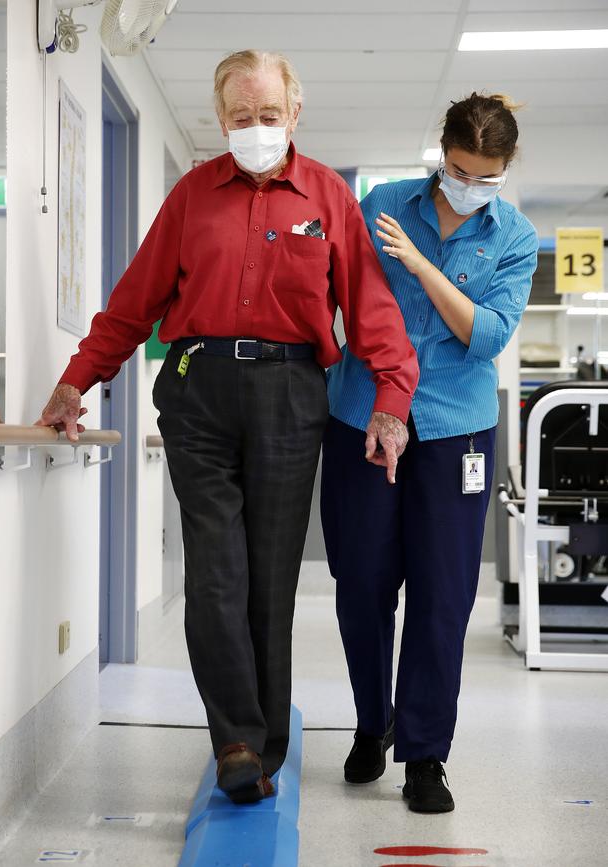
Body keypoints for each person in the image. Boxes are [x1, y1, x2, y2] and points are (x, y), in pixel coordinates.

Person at [35, 50, 418, 804]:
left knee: (269, 579)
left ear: (295, 115)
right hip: (197, 386)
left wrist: (392, 400)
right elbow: (133, 301)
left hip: (289, 390)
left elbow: (370, 306)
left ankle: (265, 741)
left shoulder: (329, 198)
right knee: (215, 569)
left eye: (268, 116)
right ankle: (237, 741)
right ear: (220, 120)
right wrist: (76, 380)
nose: (255, 129)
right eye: (240, 117)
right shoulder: (191, 196)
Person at [321, 92, 538, 813]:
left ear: (505, 171)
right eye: (457, 169)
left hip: (455, 430)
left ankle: (423, 754)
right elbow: (342, 290)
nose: (468, 186)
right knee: (362, 584)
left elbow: (485, 334)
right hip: (362, 414)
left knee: (443, 596)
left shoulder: (515, 238)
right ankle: (370, 720)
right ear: (438, 155)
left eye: (485, 176)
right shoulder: (383, 202)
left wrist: (419, 266)